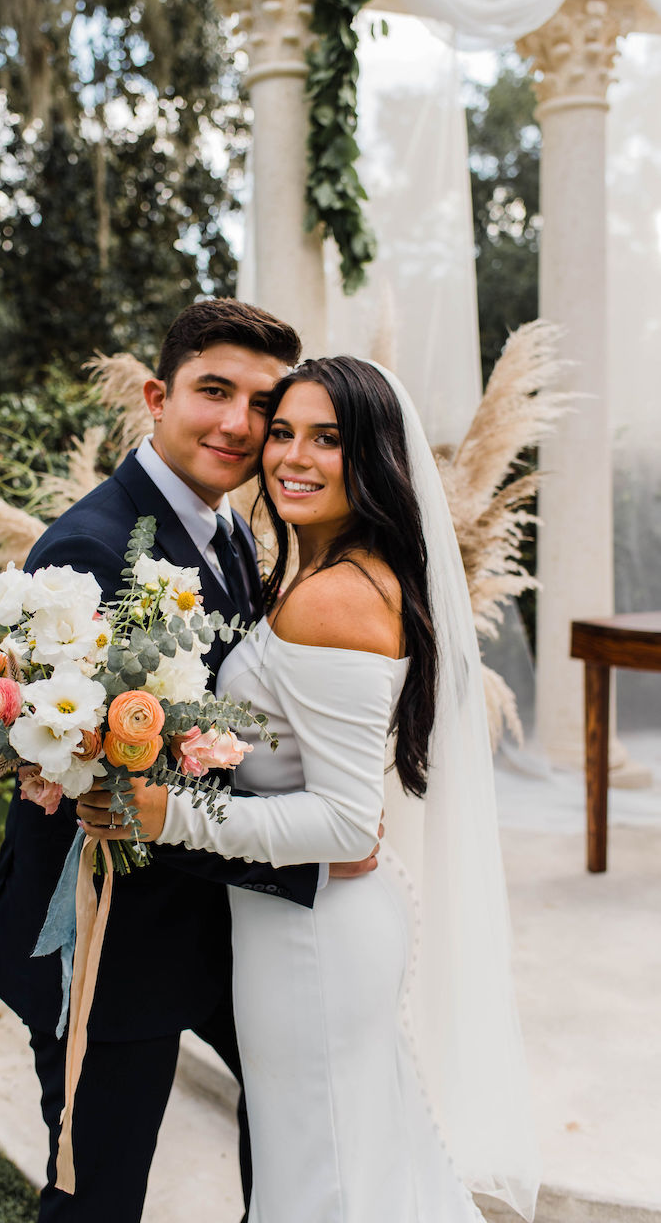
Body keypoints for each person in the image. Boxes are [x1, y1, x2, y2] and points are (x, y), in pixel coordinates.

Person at [83, 356, 540, 1222]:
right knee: (342, 1166)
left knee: (322, 1181)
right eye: (283, 432)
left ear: (375, 457)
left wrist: (160, 809)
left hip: (313, 941)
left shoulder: (336, 598)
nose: (291, 456)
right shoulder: (337, 572)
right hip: (302, 927)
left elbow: (341, 822)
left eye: (327, 438)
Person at [0, 301, 375, 1223]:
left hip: (203, 920)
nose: (238, 424)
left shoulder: (227, 527)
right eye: (212, 391)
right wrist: (296, 851)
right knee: (96, 1194)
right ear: (157, 396)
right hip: (107, 939)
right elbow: (94, 797)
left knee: (298, 1121)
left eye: (262, 403)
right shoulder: (91, 548)